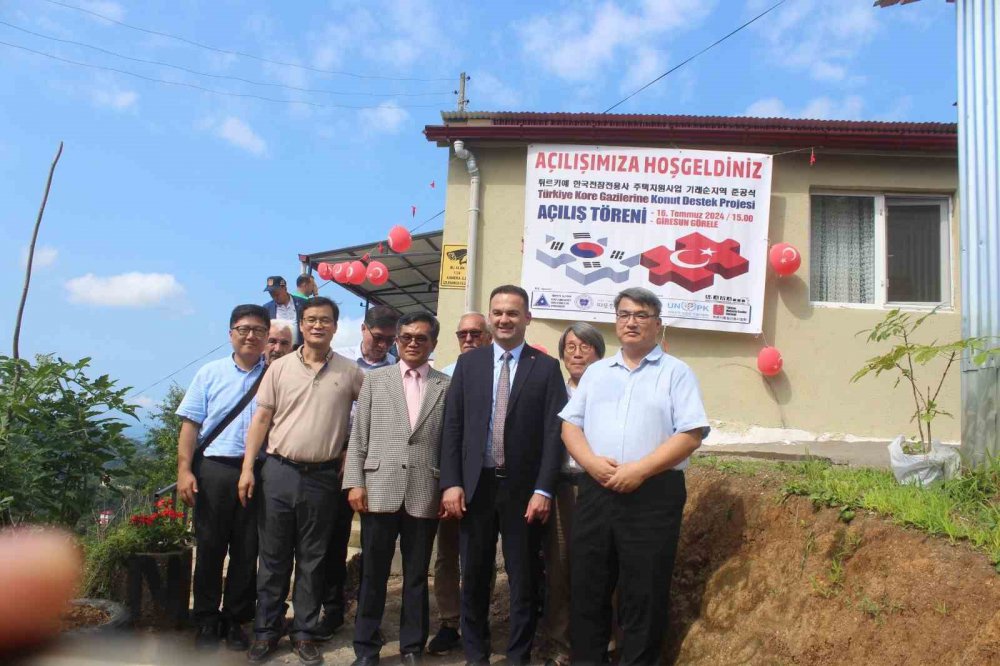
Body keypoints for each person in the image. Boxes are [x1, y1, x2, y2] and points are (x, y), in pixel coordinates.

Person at [560, 287, 709, 665]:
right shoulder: (595, 373)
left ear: (657, 325)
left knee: (643, 591)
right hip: (596, 491)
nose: (631, 321)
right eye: (624, 314)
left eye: (641, 315)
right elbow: (569, 427)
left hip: (653, 495)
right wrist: (591, 464)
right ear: (615, 322)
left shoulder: (677, 373)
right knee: (589, 587)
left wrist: (640, 471)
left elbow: (690, 434)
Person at [440, 285, 567, 665]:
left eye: (512, 313)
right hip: (475, 488)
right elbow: (453, 427)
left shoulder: (545, 368)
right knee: (474, 578)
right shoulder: (469, 364)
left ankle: (517, 657)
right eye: (497, 312)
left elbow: (553, 434)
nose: (504, 319)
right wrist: (451, 482)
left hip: (523, 492)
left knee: (523, 580)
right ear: (490, 317)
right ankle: (476, 655)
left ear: (527, 317)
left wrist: (544, 488)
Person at [239, 297, 364, 666]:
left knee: (313, 559)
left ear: (335, 327)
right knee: (273, 557)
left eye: (325, 320)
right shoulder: (278, 369)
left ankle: (304, 632)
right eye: (310, 320)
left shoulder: (351, 371)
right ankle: (266, 630)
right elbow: (260, 421)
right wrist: (248, 468)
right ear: (301, 325)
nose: (317, 326)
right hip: (278, 470)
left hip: (323, 477)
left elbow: (370, 417)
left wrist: (350, 455)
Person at [343, 312, 451, 665]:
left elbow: (451, 443)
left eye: (421, 338)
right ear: (397, 341)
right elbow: (359, 436)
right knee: (373, 574)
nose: (413, 343)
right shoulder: (375, 381)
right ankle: (366, 646)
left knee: (417, 576)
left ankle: (411, 647)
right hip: (378, 489)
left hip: (424, 491)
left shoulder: (445, 386)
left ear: (433, 342)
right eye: (406, 337)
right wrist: (355, 482)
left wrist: (448, 488)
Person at [175, 304, 270, 651]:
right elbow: (190, 426)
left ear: (266, 336)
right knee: (211, 547)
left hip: (257, 471)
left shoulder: (275, 374)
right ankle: (205, 619)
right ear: (230, 334)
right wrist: (184, 471)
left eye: (258, 330)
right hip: (213, 468)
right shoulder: (209, 373)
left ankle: (235, 619)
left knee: (247, 550)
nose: (250, 335)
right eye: (243, 329)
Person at [320, 304, 401, 639]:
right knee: (332, 540)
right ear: (364, 329)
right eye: (378, 337)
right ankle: (332, 610)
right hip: (335, 457)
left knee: (375, 546)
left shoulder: (397, 368)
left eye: (389, 340)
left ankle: (369, 618)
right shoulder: (338, 360)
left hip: (377, 463)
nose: (382, 345)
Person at [538, 322, 605, 666]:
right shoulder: (554, 391)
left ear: (598, 352)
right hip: (562, 487)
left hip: (601, 488)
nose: (577, 353)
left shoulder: (611, 389)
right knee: (560, 566)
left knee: (601, 567)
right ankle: (559, 642)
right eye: (570, 347)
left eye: (585, 347)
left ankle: (603, 643)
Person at [427, 313, 492, 656]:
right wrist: (445, 482)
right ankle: (451, 622)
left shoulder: (501, 373)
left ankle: (480, 624)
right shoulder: (443, 377)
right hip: (450, 482)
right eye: (462, 333)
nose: (468, 339)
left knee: (483, 559)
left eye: (475, 333)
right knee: (448, 554)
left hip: (489, 483)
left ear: (488, 337)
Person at [263, 276, 305, 344]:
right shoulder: (266, 309)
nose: (274, 295)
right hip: (278, 350)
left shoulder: (303, 304)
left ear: (285, 288)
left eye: (276, 292)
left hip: (299, 349)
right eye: (271, 293)